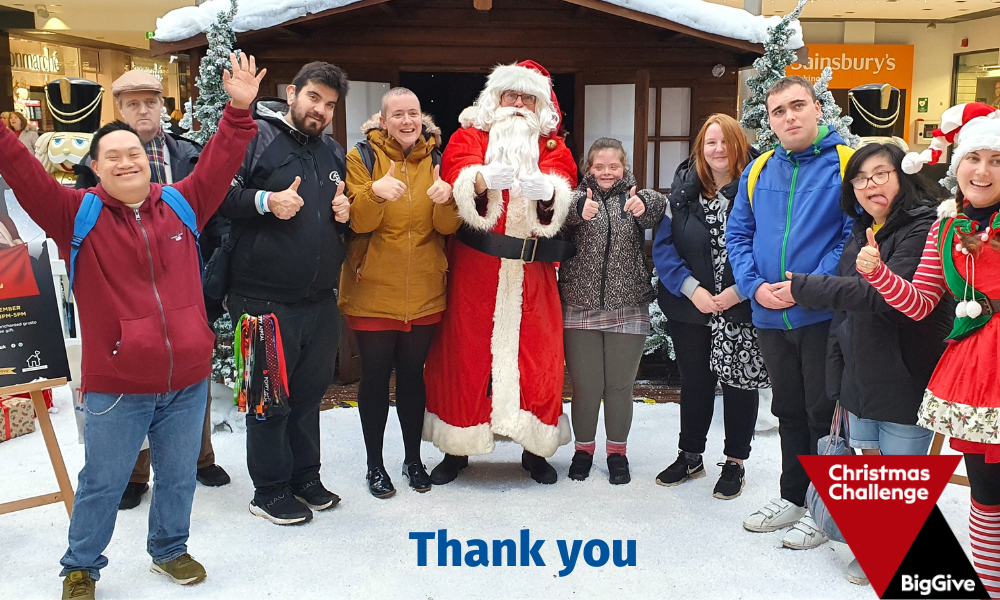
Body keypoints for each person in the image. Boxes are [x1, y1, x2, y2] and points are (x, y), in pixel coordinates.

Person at [0, 53, 262, 600]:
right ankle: (81, 566)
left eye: (134, 154)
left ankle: (169, 549)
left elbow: (216, 163)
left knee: (177, 476)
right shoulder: (77, 214)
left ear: (149, 159)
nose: (126, 163)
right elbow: (23, 175)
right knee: (102, 481)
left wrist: (239, 110)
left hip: (186, 378)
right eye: (112, 156)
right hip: (118, 383)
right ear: (96, 168)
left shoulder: (183, 205)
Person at [778, 142, 952, 568]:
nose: (869, 184)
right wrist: (837, 375)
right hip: (859, 375)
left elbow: (880, 297)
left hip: (905, 375)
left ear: (902, 176)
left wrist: (804, 287)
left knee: (901, 475)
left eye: (880, 173)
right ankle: (872, 537)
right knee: (867, 467)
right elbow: (847, 312)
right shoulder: (863, 229)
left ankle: (895, 548)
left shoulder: (926, 226)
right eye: (860, 178)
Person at [73, 69, 233, 511]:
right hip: (126, 303)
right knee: (134, 382)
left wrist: (211, 276)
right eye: (132, 104)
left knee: (187, 376)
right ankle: (135, 473)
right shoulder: (100, 159)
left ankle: (199, 459)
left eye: (151, 102)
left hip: (186, 287)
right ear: (119, 110)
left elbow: (214, 213)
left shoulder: (186, 153)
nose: (143, 110)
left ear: (163, 105)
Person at [858, 102, 1000, 599]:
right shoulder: (947, 226)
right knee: (987, 494)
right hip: (977, 373)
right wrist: (877, 273)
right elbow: (919, 305)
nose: (982, 171)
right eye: (973, 158)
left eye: (996, 160)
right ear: (956, 163)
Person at [422, 60, 577, 485]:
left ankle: (535, 448)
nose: (520, 105)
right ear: (496, 98)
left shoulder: (551, 145)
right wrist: (478, 179)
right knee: (465, 356)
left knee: (537, 358)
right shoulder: (471, 135)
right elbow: (455, 168)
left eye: (529, 98)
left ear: (540, 104)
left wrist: (551, 193)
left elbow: (565, 176)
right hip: (476, 268)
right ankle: (457, 447)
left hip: (532, 271)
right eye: (513, 96)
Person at [726, 75, 854, 548]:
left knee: (824, 414)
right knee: (788, 410)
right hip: (768, 315)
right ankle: (793, 496)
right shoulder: (759, 169)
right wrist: (755, 287)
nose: (789, 117)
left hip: (820, 314)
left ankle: (825, 514)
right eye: (778, 111)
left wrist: (805, 288)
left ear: (818, 109)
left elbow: (850, 237)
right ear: (771, 121)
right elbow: (738, 235)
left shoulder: (845, 164)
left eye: (797, 106)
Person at [221, 61, 351, 526]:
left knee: (308, 396)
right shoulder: (254, 137)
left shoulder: (332, 152)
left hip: (318, 299)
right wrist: (265, 200)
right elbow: (215, 198)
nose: (321, 110)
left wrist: (344, 212)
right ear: (293, 94)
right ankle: (269, 489)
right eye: (314, 98)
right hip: (260, 298)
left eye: (330, 104)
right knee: (267, 397)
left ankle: (305, 476)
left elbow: (340, 219)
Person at [340, 87, 460, 498]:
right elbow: (357, 221)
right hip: (373, 286)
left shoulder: (438, 160)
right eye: (397, 115)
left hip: (425, 287)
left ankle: (413, 460)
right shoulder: (363, 156)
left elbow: (446, 229)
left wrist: (447, 201)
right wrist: (375, 193)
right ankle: (375, 466)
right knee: (374, 378)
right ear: (383, 119)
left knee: (413, 377)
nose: (407, 122)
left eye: (413, 113)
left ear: (422, 118)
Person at [652, 114, 769, 500]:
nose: (718, 150)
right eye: (710, 143)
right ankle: (690, 456)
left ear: (739, 146)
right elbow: (665, 249)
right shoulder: (683, 193)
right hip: (692, 305)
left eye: (725, 142)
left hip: (740, 302)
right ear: (701, 149)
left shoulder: (759, 187)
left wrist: (741, 290)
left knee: (739, 382)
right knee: (696, 381)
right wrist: (692, 289)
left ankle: (735, 462)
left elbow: (769, 247)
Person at [559, 137, 665, 485]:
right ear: (588, 168)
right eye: (599, 166)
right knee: (586, 387)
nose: (606, 172)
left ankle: (617, 453)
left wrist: (646, 202)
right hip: (579, 305)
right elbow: (555, 218)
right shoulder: (575, 198)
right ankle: (583, 450)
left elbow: (657, 208)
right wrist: (577, 211)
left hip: (628, 305)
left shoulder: (632, 199)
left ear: (624, 167)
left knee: (619, 386)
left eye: (613, 166)